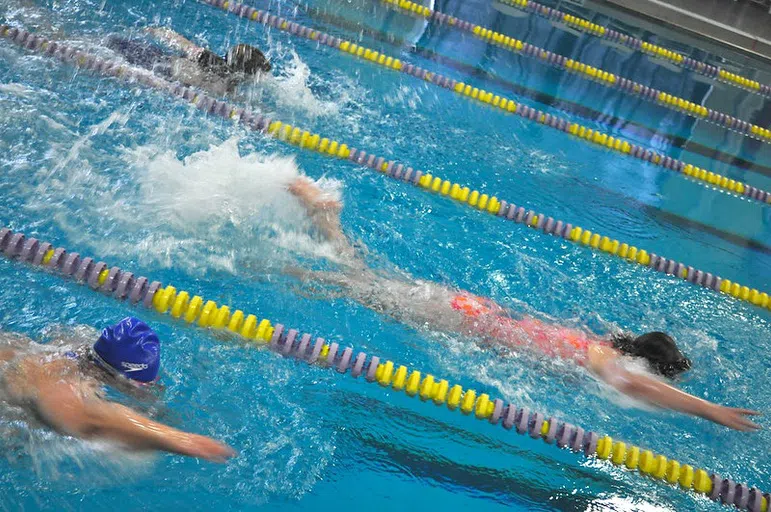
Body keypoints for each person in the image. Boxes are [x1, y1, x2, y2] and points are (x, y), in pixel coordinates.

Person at [285, 177, 760, 431]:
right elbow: (641, 390)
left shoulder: (602, 341)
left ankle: (326, 221)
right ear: (642, 363)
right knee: (354, 287)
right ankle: (318, 226)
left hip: (472, 311)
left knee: (368, 283)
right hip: (460, 320)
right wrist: (709, 410)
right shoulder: (605, 362)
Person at [0, 317, 235, 462]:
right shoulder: (64, 389)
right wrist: (183, 440)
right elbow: (95, 419)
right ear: (122, 378)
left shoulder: (73, 347)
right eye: (145, 385)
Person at [105, 27, 271, 96]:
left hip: (159, 60)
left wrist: (156, 31)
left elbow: (180, 42)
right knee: (108, 45)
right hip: (156, 66)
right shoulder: (226, 89)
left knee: (109, 42)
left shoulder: (212, 61)